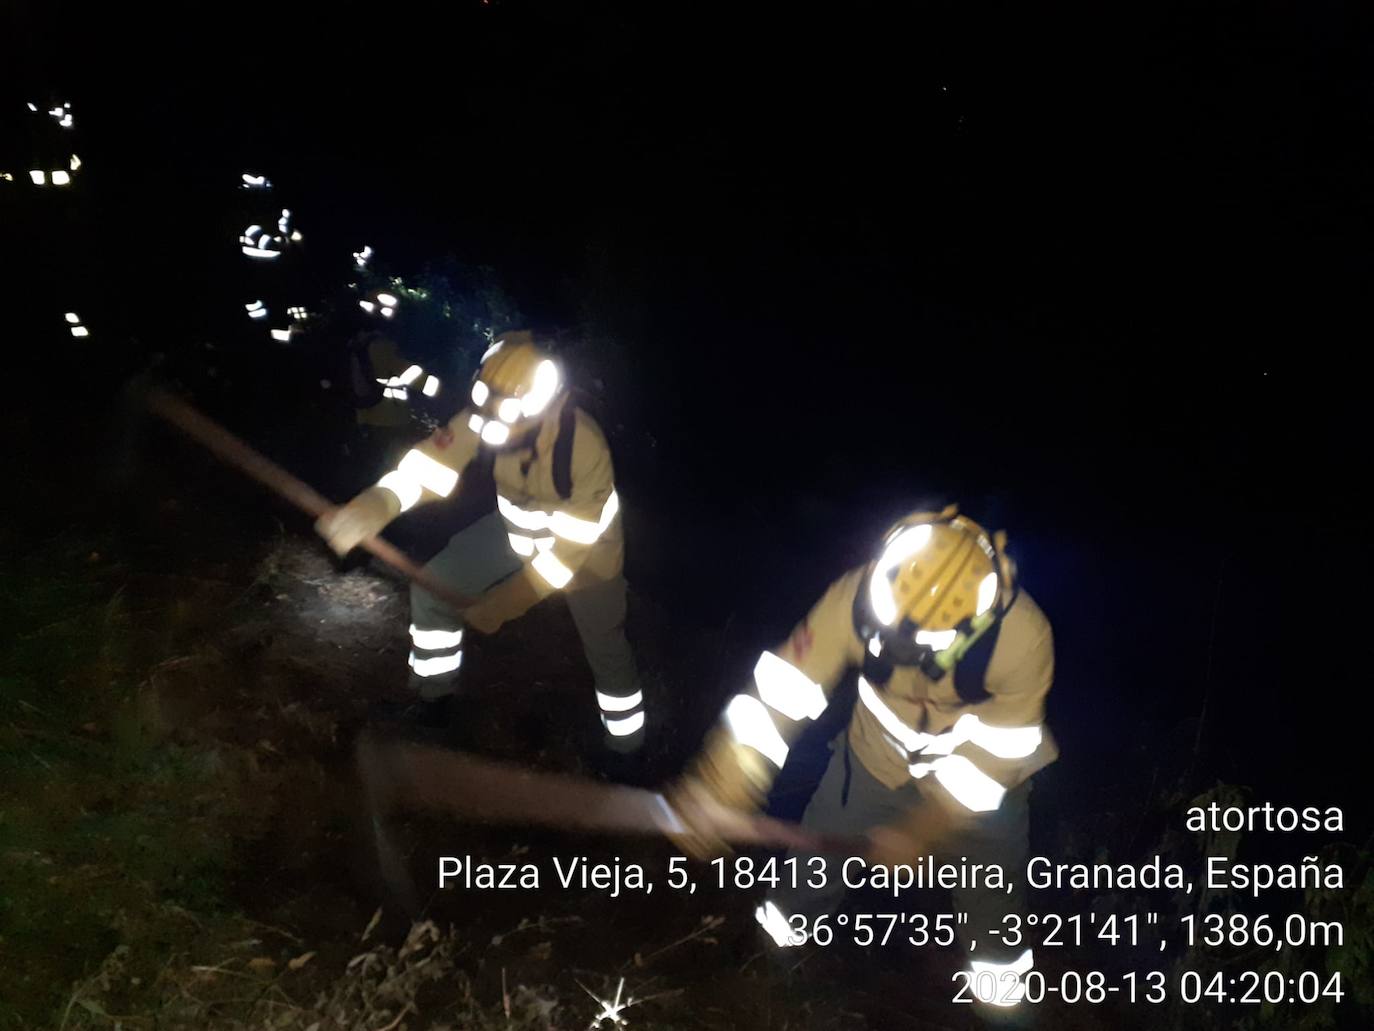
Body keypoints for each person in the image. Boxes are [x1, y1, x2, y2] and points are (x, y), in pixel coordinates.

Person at [669, 505, 1054, 1016]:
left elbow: (994, 763)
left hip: (983, 797)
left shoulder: (1022, 640)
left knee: (993, 915)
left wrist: (923, 828)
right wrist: (724, 781)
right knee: (811, 873)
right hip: (869, 765)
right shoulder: (856, 596)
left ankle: (1004, 1011)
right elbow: (782, 692)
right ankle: (767, 965)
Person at [315, 330, 646, 755]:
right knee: (433, 585)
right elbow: (427, 468)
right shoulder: (489, 410)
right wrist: (372, 508)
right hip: (513, 533)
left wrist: (504, 603)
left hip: (589, 556)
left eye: (503, 426)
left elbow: (567, 554)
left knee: (605, 643)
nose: (491, 433)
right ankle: (434, 700)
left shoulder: (584, 447)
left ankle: (627, 747)